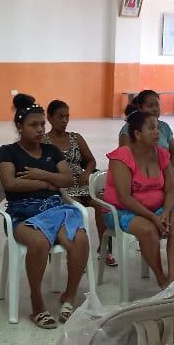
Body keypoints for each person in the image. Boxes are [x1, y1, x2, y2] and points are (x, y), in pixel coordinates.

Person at [0, 94, 89, 328]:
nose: (39, 129)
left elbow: (67, 179)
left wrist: (40, 175)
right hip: (23, 214)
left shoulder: (51, 150)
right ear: (20, 127)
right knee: (39, 243)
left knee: (80, 240)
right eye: (33, 125)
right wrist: (47, 184)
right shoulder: (7, 152)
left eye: (41, 124)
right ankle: (37, 302)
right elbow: (10, 184)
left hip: (55, 208)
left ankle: (69, 296)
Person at [103, 111, 174, 288]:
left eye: (157, 128)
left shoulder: (162, 154)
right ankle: (161, 278)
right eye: (151, 128)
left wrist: (165, 212)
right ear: (137, 134)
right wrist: (153, 217)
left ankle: (172, 280)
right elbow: (124, 197)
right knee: (148, 230)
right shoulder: (121, 157)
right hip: (121, 211)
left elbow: (171, 190)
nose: (157, 132)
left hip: (157, 209)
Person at [44, 99, 107, 259]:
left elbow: (91, 160)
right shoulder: (44, 142)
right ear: (49, 117)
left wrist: (87, 173)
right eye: (60, 116)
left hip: (82, 183)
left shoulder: (75, 138)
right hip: (61, 188)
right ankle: (76, 253)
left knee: (102, 205)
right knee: (75, 209)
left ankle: (104, 248)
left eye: (67, 116)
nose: (64, 120)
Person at [118, 89, 174, 155]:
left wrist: (171, 162)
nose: (155, 109)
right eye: (150, 106)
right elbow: (125, 156)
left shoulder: (164, 127)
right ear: (140, 108)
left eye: (157, 105)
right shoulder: (129, 128)